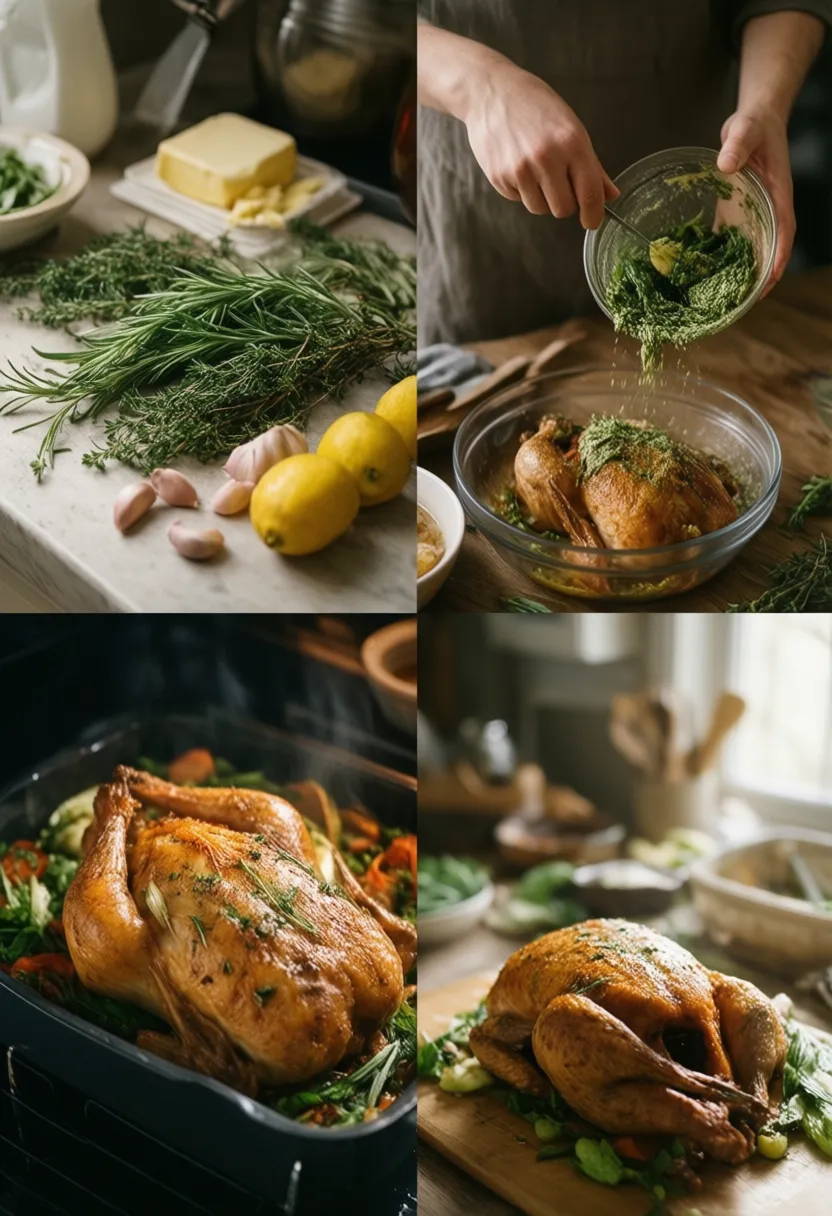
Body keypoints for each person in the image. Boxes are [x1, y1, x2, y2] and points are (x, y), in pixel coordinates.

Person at [417, 2, 832, 345]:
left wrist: (766, 107)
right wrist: (479, 86)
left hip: (716, 180)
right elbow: (364, 23)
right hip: (485, 228)